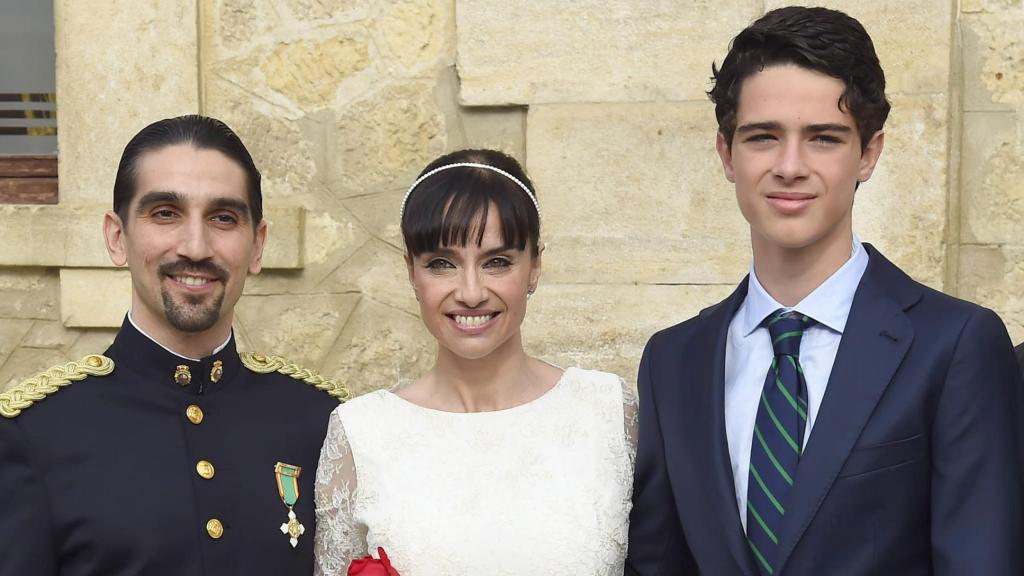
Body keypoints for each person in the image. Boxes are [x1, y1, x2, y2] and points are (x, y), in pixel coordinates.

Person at [626, 7, 1023, 575]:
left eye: (823, 138)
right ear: (725, 153)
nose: (790, 166)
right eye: (763, 136)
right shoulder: (673, 360)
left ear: (869, 153)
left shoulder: (956, 344)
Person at [0, 115, 349, 576]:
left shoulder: (321, 421)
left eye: (223, 218)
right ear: (116, 236)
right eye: (165, 213)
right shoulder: (33, 433)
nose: (196, 246)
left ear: (258, 244)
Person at [313, 149, 637, 575]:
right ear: (411, 271)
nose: (470, 292)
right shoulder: (360, 432)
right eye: (442, 264)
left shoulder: (611, 411)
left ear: (535, 265)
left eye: (497, 262)